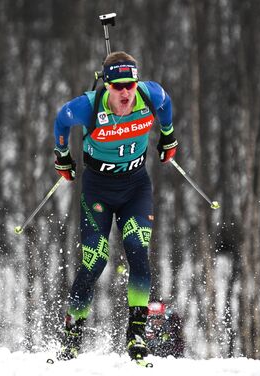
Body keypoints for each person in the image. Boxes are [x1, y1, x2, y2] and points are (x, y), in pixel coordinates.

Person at [52, 51, 178, 361]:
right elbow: (61, 119)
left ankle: (135, 335)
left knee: (138, 250)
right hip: (98, 191)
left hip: (135, 188)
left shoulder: (150, 95)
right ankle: (72, 334)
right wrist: (62, 155)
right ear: (106, 85)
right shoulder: (89, 106)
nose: (125, 92)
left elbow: (166, 105)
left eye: (130, 85)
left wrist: (168, 135)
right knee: (95, 261)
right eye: (118, 86)